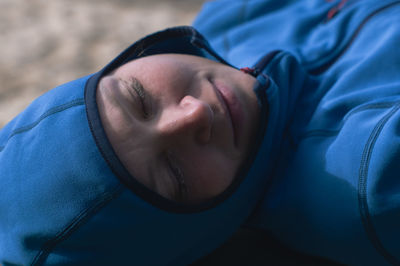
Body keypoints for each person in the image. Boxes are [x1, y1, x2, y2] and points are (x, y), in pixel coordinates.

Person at [1, 1, 399, 266]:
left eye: (139, 98)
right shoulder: (370, 178)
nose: (194, 116)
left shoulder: (223, 24)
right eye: (175, 173)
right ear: (195, 233)